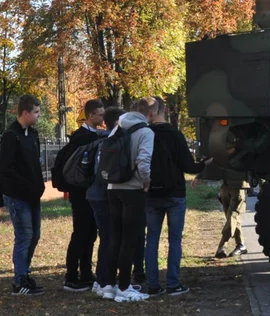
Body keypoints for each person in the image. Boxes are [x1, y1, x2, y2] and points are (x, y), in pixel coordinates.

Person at [145, 97, 213, 296]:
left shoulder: (144, 134)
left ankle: (152, 284)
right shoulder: (175, 135)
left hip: (151, 194)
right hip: (174, 193)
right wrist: (204, 165)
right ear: (163, 110)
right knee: (175, 240)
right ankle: (173, 283)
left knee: (152, 239)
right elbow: (188, 167)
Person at [104, 97, 156, 303]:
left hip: (112, 187)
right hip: (132, 188)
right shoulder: (145, 132)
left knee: (114, 237)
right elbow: (143, 161)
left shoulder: (118, 127)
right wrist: (147, 181)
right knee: (130, 239)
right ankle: (125, 287)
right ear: (150, 114)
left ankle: (110, 285)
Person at [0, 95, 46, 296]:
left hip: (33, 194)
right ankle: (19, 281)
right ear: (24, 113)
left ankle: (25, 274)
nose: (38, 116)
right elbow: (6, 168)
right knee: (24, 235)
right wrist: (25, 186)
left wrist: (38, 186)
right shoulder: (11, 136)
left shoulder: (32, 135)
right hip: (18, 195)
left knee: (35, 235)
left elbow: (34, 164)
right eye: (35, 112)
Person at [62, 99, 105, 292]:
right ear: (91, 116)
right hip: (80, 193)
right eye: (100, 114)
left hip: (90, 192)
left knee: (90, 233)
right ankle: (71, 276)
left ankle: (86, 272)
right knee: (80, 233)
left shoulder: (93, 135)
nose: (103, 118)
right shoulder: (81, 137)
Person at [88, 105, 123, 296]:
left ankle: (102, 280)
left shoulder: (103, 140)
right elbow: (102, 173)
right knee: (109, 239)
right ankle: (104, 281)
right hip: (103, 196)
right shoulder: (108, 142)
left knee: (107, 239)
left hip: (98, 195)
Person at [216, 172, 250, 258]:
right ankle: (241, 245)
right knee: (232, 218)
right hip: (225, 186)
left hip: (238, 186)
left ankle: (222, 245)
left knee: (232, 217)